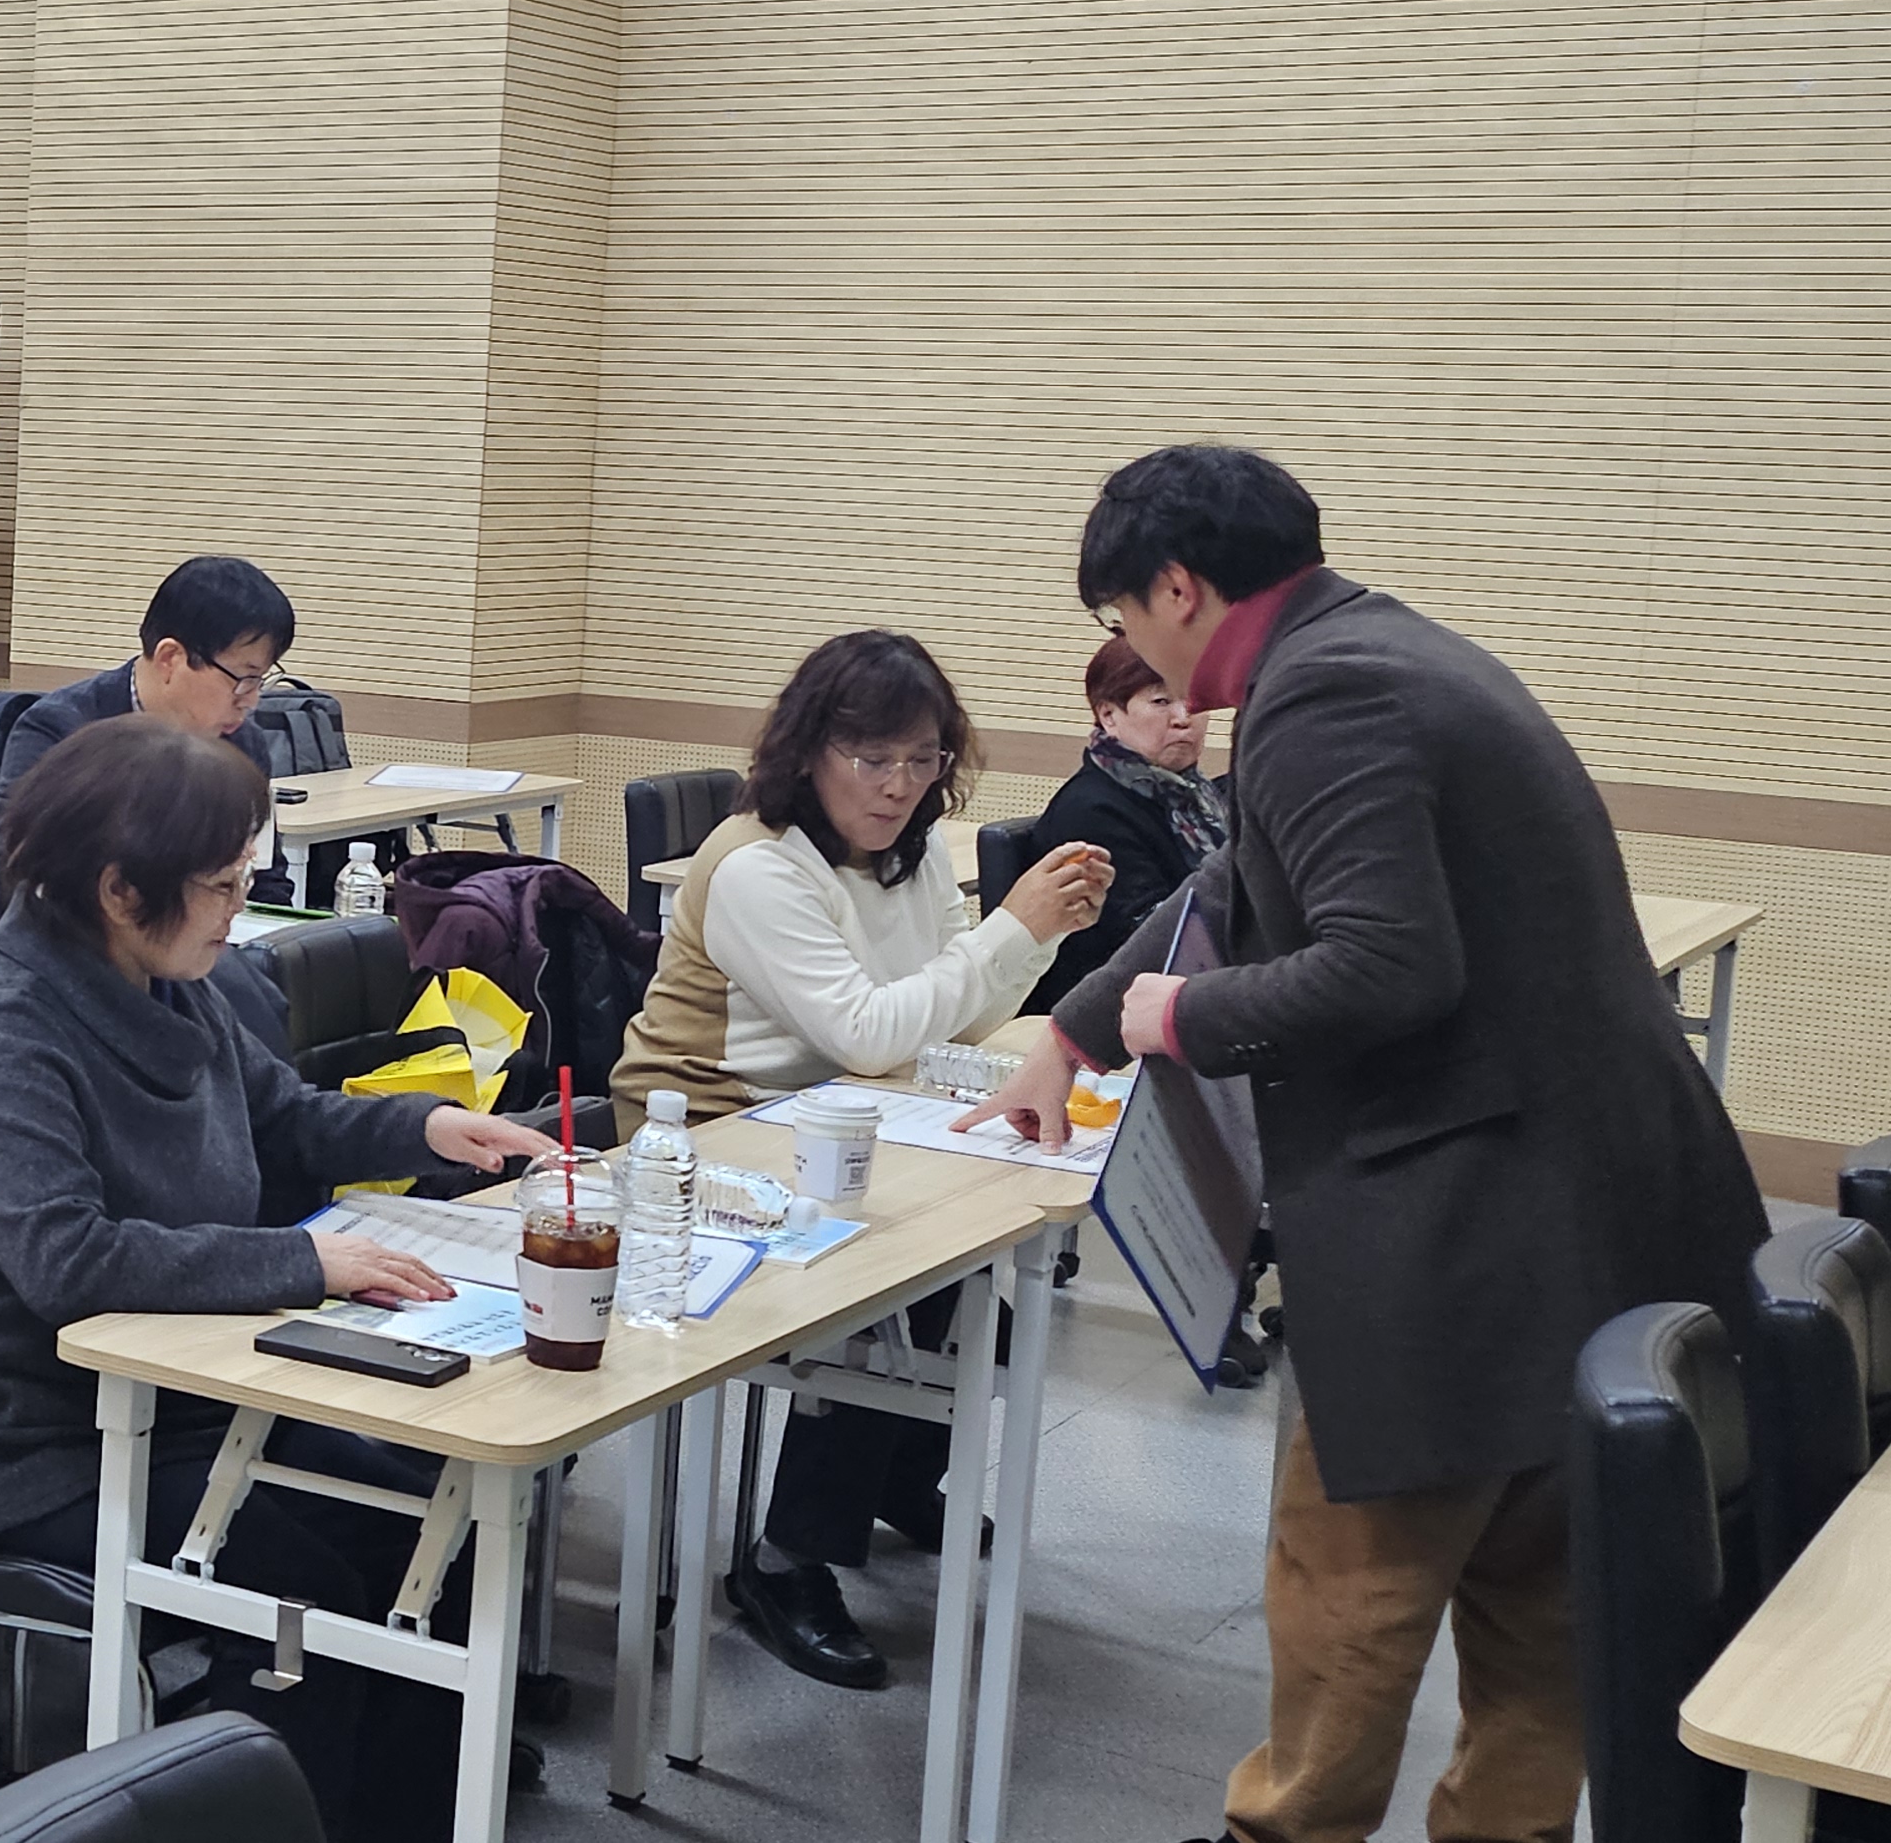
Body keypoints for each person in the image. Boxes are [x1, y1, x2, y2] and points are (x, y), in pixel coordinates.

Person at [962, 447, 1762, 1843]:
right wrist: (1074, 1034)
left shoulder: (1323, 694)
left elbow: (1388, 966)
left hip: (1466, 1232)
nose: (1136, 645)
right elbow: (1243, 880)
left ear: (1177, 586)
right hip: (1604, 1213)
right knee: (1544, 1598)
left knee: (1351, 1585)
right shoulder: (1385, 650)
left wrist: (1171, 1019)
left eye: (1124, 613)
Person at [0, 717, 555, 1836]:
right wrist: (303, 1261)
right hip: (24, 1445)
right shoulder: (5, 1032)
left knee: (436, 1526)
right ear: (118, 889)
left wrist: (429, 1126)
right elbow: (69, 1259)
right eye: (223, 885)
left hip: (187, 1397)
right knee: (311, 1596)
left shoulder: (172, 984)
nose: (240, 908)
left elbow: (283, 1115)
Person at [609, 630, 1110, 1691]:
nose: (897, 785)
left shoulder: (912, 855)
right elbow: (871, 1033)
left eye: (922, 760)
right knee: (888, 1270)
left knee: (975, 1246)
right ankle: (786, 1560)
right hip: (710, 1126)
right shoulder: (756, 864)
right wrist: (1007, 928)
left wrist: (1040, 934)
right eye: (871, 758)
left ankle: (893, 1467)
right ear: (808, 752)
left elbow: (956, 1018)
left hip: (839, 1107)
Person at [1018, 633, 1229, 1013]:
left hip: (1188, 991)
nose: (1183, 718)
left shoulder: (1199, 797)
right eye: (1161, 701)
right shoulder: (1091, 810)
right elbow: (1153, 937)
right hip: (1107, 1010)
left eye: (1195, 700)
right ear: (1109, 716)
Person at [0, 554, 293, 808]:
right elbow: (16, 859)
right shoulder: (58, 732)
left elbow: (266, 859)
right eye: (244, 677)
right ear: (170, 658)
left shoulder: (242, 744)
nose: (251, 700)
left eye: (259, 680)